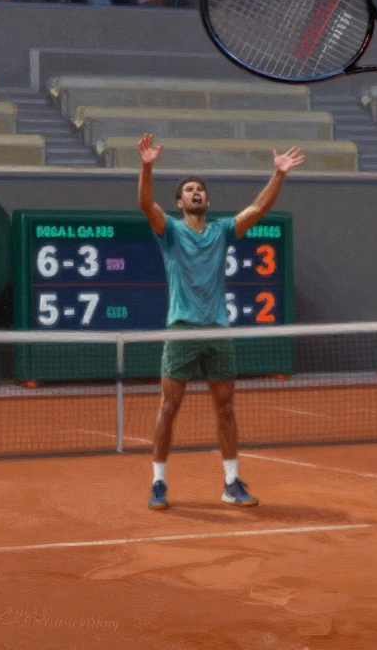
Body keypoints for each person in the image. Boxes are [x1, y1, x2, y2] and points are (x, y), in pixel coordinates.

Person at [137, 133, 304, 511]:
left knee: (225, 408)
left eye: (200, 190)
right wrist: (147, 166)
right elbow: (146, 203)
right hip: (182, 328)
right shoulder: (171, 231)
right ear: (180, 203)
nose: (196, 193)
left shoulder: (222, 231)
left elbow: (258, 208)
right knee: (169, 407)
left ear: (206, 201)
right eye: (189, 190)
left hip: (217, 329)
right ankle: (159, 482)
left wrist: (279, 173)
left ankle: (231, 483)